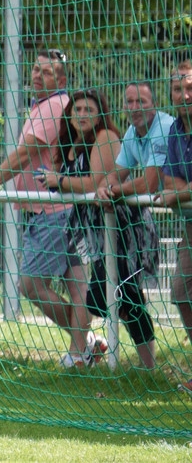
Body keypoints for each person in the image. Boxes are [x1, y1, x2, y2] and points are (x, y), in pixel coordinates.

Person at [0, 49, 101, 367]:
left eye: (47, 72)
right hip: (61, 211)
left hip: (53, 212)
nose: (38, 75)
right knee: (78, 287)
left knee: (30, 285)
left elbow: (25, 154)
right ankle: (84, 350)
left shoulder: (55, 105)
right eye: (36, 69)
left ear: (62, 81)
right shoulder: (46, 105)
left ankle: (82, 347)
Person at [35, 89, 124, 367]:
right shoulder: (70, 143)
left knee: (124, 297)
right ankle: (83, 352)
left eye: (89, 110)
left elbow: (95, 183)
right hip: (85, 227)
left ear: (100, 115)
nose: (82, 114)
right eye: (78, 109)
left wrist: (59, 181)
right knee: (91, 294)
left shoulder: (104, 137)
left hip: (114, 225)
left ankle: (142, 368)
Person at [92, 82, 173, 369]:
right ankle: (143, 366)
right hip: (111, 227)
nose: (135, 107)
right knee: (109, 294)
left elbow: (150, 182)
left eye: (141, 101)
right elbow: (116, 174)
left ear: (154, 103)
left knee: (127, 295)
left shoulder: (164, 128)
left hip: (136, 226)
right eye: (130, 102)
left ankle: (88, 350)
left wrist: (111, 190)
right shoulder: (130, 133)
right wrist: (105, 188)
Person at [158, 60, 192, 392]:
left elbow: (175, 189)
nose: (184, 95)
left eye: (190, 88)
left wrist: (180, 192)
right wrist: (180, 190)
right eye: (178, 89)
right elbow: (168, 180)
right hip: (190, 227)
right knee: (181, 292)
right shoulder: (175, 130)